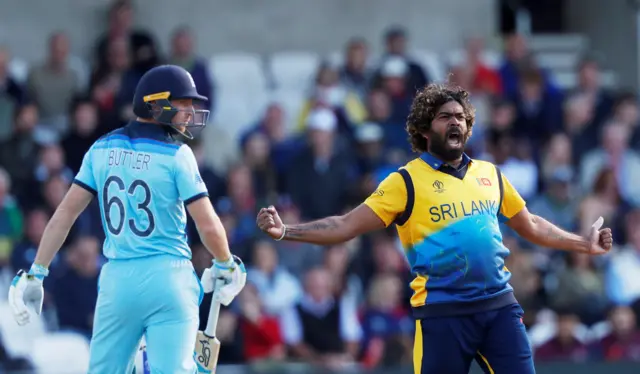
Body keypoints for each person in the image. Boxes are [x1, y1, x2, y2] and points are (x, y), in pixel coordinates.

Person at [256, 83, 613, 374]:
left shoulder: (489, 174)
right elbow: (346, 225)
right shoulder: (406, 181)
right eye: (445, 117)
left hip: (499, 308)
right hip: (443, 314)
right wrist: (286, 231)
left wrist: (584, 243)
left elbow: (532, 224)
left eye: (460, 117)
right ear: (426, 128)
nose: (455, 123)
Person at [8, 65, 247, 374]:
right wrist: (226, 262)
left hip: (117, 282)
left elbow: (64, 214)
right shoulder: (178, 154)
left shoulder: (101, 149)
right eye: (182, 102)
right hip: (168, 279)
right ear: (155, 103)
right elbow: (207, 222)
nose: (190, 111)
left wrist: (37, 271)